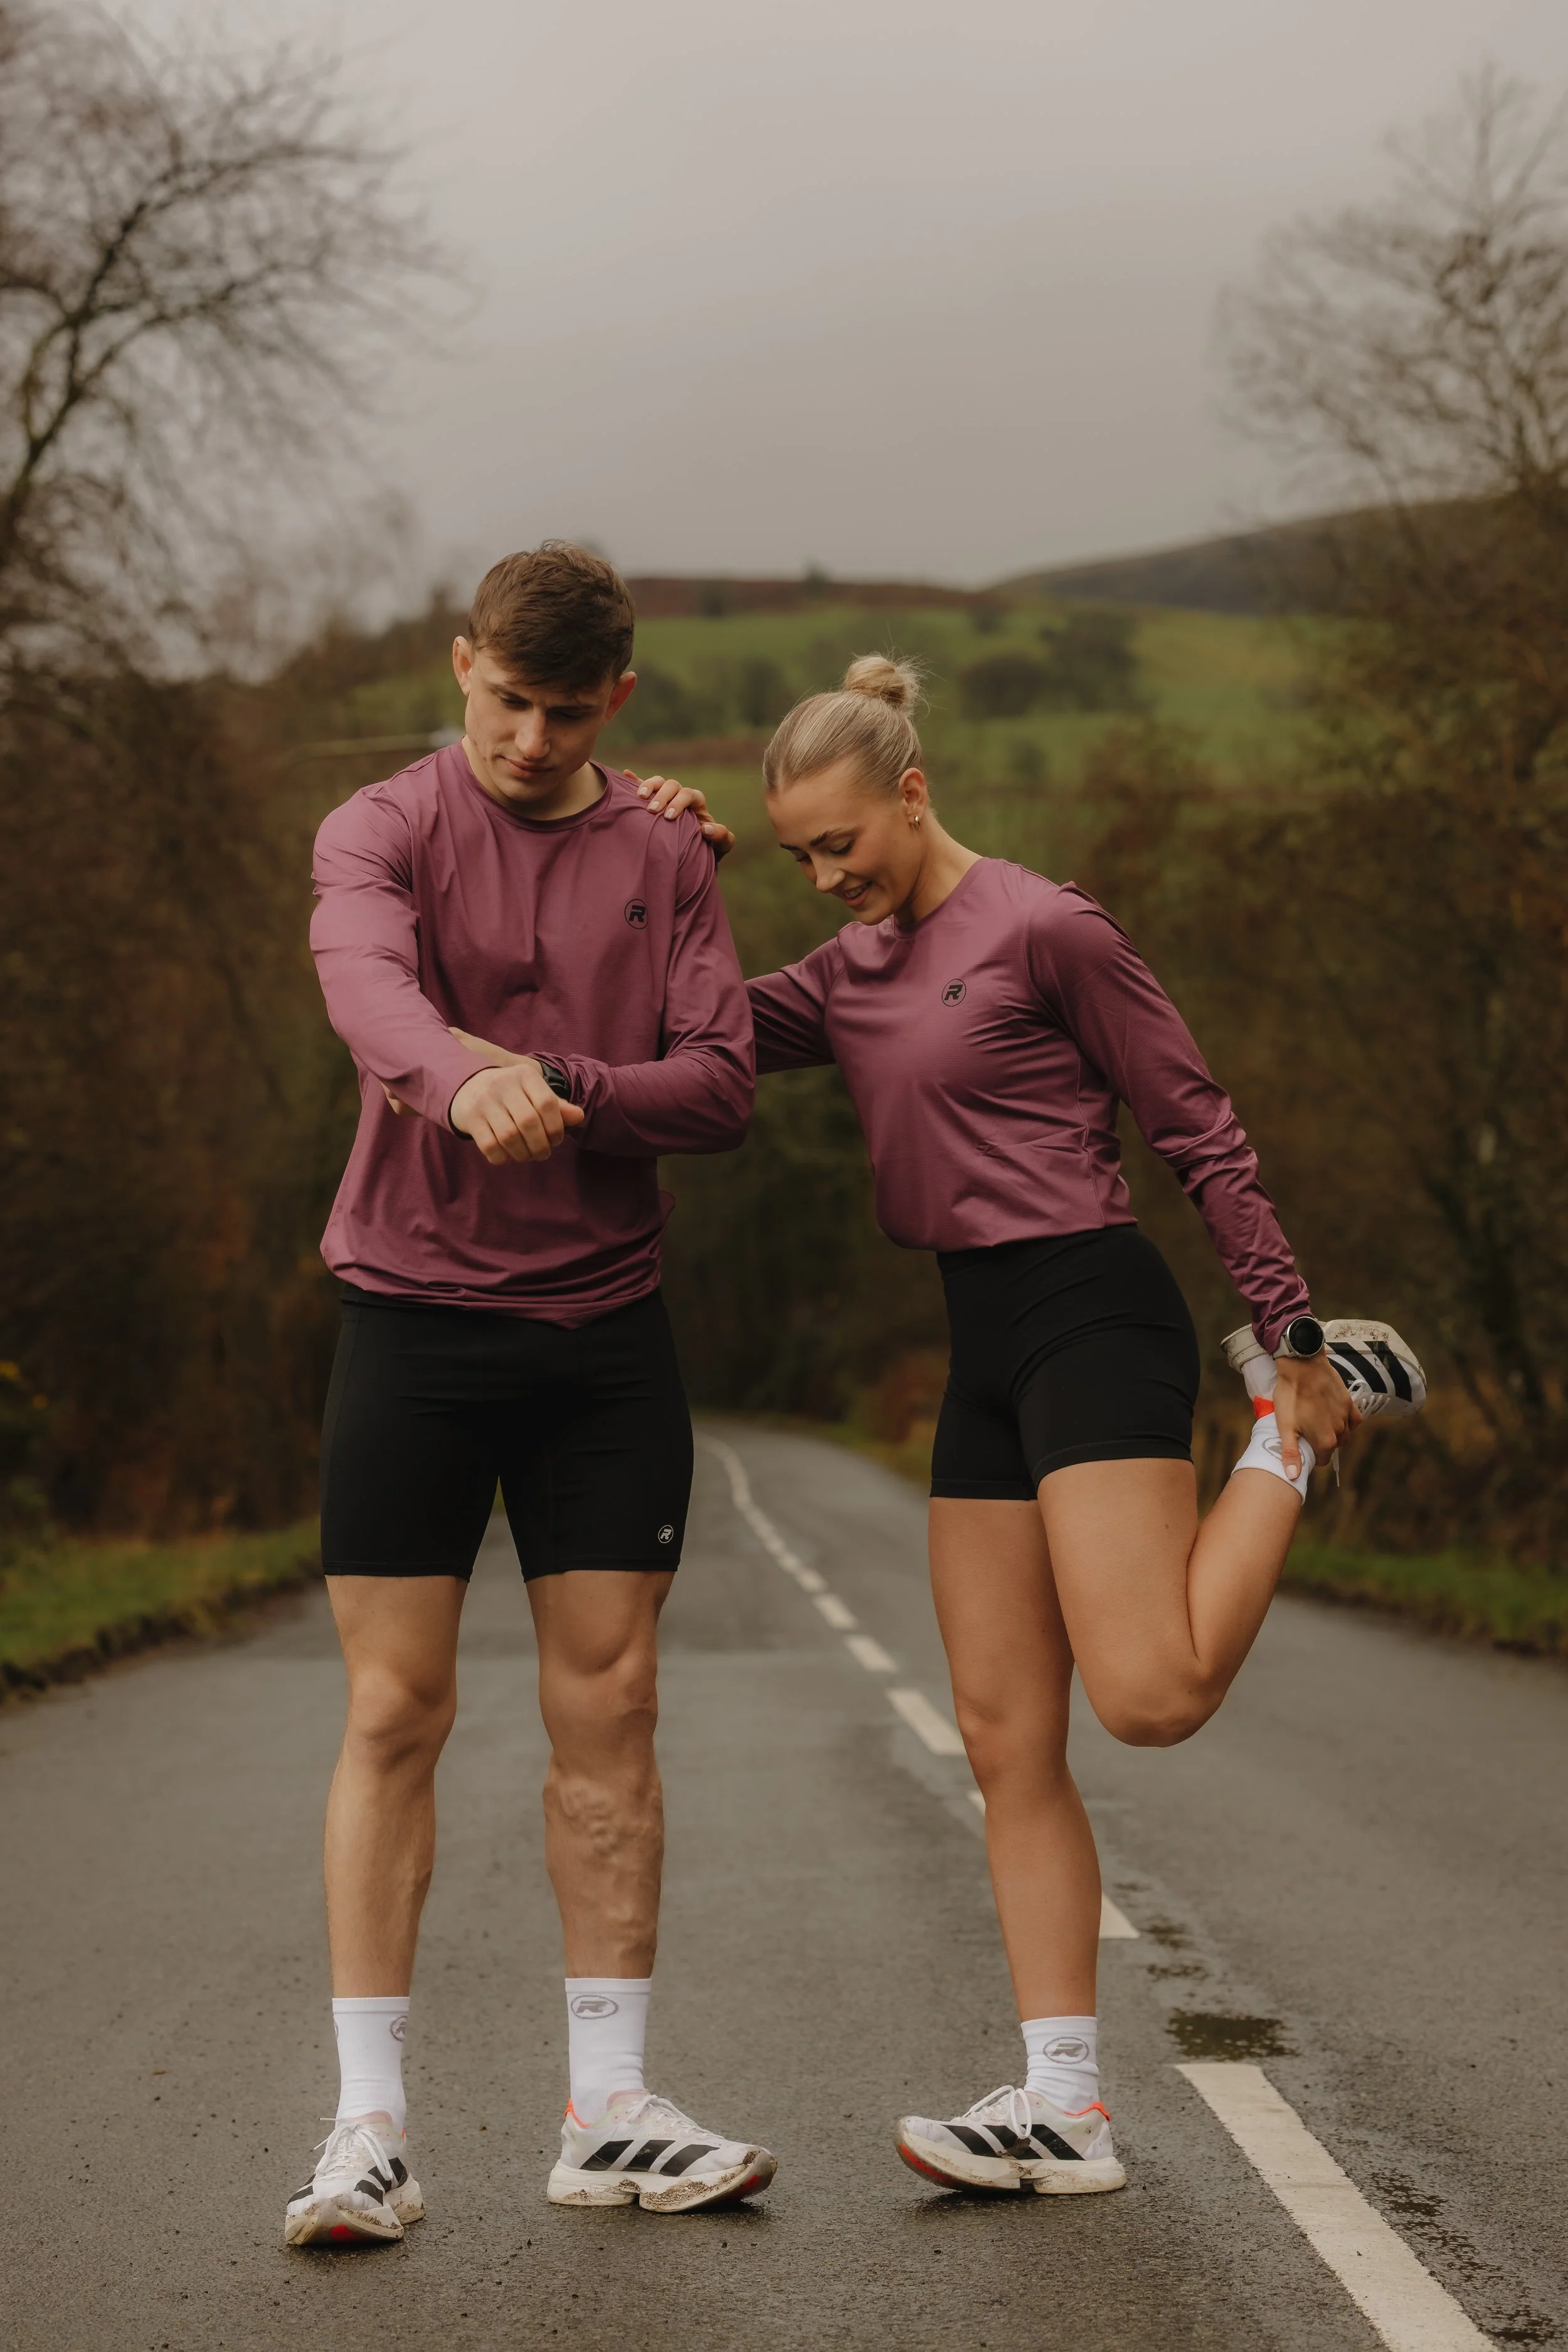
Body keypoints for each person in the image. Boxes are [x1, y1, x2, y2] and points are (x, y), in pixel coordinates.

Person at [635, 655, 1425, 2198]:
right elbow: (693, 1033)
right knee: (1004, 1743)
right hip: (980, 1343)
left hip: (1092, 1316)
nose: (824, 877)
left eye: (839, 844)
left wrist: (1291, 1334)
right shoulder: (844, 972)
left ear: (911, 791)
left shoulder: (1046, 927)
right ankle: (1063, 2103)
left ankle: (1277, 1437)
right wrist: (664, 865)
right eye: (795, 856)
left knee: (1149, 1696)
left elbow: (1198, 1129)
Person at [283, 544, 775, 2249]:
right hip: (411, 1324)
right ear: (459, 665)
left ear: (617, 699)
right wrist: (456, 1074)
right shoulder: (379, 827)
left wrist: (562, 1080)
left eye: (568, 712)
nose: (530, 738)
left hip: (601, 1338)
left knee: (612, 1704)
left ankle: (608, 2110)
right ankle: (367, 2132)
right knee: (393, 1710)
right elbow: (364, 984)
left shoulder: (669, 852)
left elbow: (721, 1082)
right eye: (506, 699)